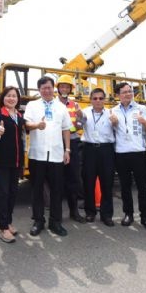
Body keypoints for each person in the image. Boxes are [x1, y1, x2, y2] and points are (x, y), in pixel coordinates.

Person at [24, 76, 72, 237]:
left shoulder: (61, 107)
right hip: (37, 154)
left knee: (57, 190)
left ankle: (55, 221)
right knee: (37, 189)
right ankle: (38, 220)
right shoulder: (33, 105)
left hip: (57, 154)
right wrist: (37, 125)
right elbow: (27, 124)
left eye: (49, 87)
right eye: (43, 87)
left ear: (54, 88)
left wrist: (67, 150)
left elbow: (66, 129)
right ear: (39, 90)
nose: (47, 90)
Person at [111, 82, 146, 231]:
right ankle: (128, 214)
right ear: (118, 95)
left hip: (138, 152)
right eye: (124, 92)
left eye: (130, 91)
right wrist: (113, 123)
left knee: (142, 186)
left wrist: (144, 122)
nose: (128, 94)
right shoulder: (113, 110)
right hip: (121, 152)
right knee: (125, 186)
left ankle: (145, 217)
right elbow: (109, 131)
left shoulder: (141, 108)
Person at [0, 86, 25, 243]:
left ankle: (8, 222)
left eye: (14, 96)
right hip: (2, 161)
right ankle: (3, 228)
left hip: (16, 161)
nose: (11, 98)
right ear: (3, 98)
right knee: (3, 194)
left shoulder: (19, 115)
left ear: (18, 99)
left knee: (12, 193)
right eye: (8, 96)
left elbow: (22, 137)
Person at [81, 88, 118, 226]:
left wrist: (115, 123)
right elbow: (78, 124)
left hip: (106, 150)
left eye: (101, 98)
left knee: (107, 183)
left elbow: (118, 130)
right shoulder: (84, 112)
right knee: (88, 182)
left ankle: (106, 214)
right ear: (90, 99)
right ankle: (90, 212)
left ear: (105, 100)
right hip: (89, 149)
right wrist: (78, 117)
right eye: (95, 98)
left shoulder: (111, 113)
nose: (98, 101)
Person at [55, 75, 86, 223]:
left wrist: (80, 116)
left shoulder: (74, 105)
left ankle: (74, 212)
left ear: (70, 89)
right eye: (62, 87)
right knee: (57, 179)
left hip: (73, 142)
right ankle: (57, 214)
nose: (65, 89)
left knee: (74, 178)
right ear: (58, 88)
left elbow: (81, 124)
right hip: (56, 143)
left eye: (67, 87)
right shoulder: (53, 104)